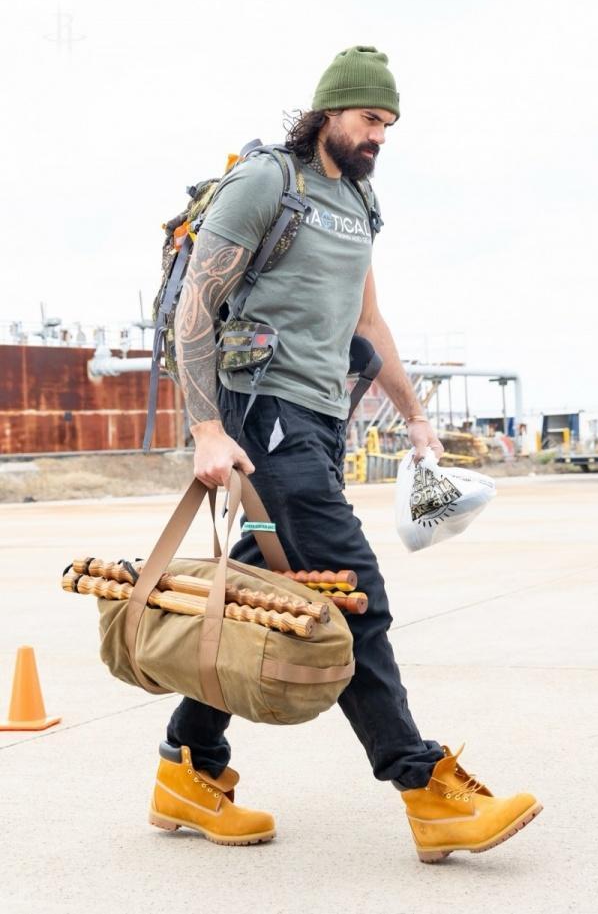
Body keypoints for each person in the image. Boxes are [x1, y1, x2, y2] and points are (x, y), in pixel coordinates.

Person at [148, 45, 542, 862]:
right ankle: (422, 786)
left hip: (324, 424)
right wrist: (206, 427)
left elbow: (369, 324)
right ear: (328, 111)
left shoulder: (361, 200)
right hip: (264, 413)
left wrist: (417, 418)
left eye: (389, 123)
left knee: (261, 595)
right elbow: (196, 304)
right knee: (354, 593)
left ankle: (188, 767)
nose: (380, 135)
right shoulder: (268, 181)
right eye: (369, 118)